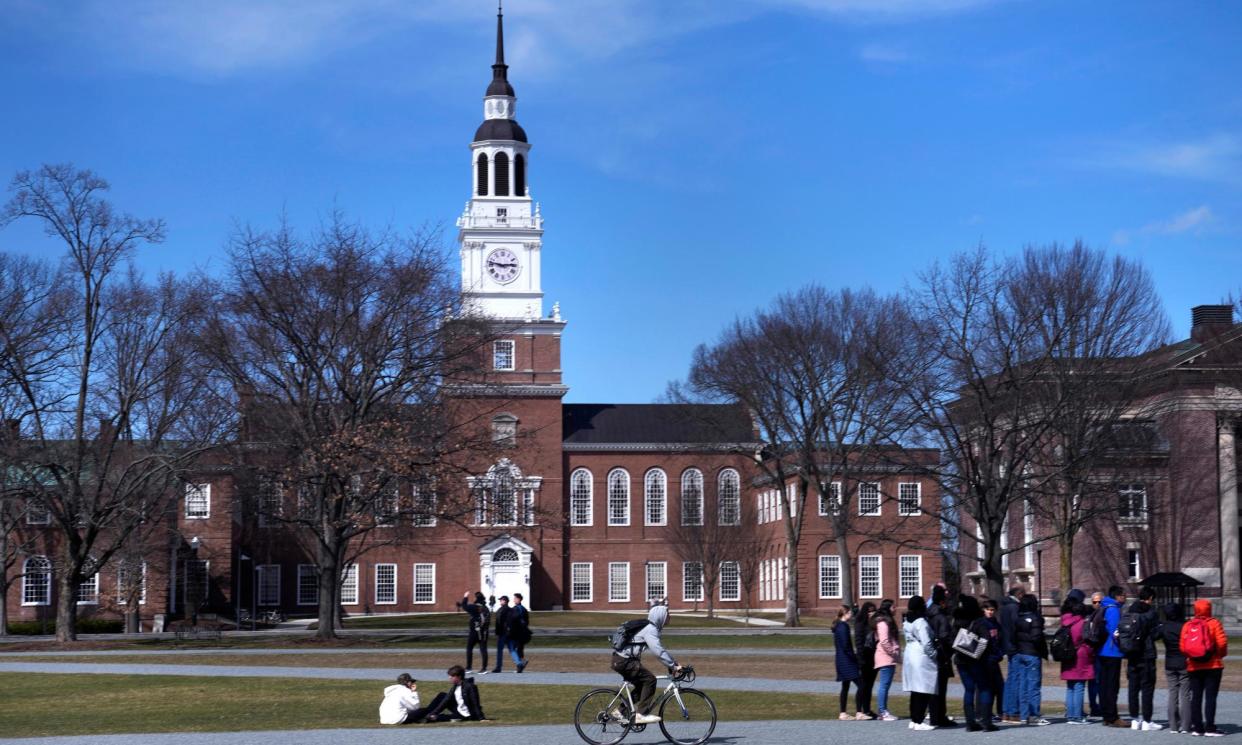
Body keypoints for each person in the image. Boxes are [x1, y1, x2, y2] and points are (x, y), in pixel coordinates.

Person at [612, 599, 683, 725]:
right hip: (624, 661)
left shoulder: (649, 628)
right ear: (661, 617)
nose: (670, 617)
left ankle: (619, 711)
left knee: (642, 687)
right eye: (668, 615)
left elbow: (660, 651)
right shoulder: (650, 629)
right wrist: (673, 665)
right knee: (650, 680)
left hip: (621, 661)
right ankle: (640, 715)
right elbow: (658, 651)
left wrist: (673, 663)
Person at [1183, 598, 1228, 737]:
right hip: (1213, 664)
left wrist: (1192, 655)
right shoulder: (1214, 623)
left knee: (1196, 697)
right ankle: (1210, 727)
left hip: (1194, 666)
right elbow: (1222, 643)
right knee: (1210, 697)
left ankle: (1197, 727)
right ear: (1209, 609)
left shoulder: (1188, 625)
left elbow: (1183, 646)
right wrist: (1219, 655)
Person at [1124, 587, 1161, 730]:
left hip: (1132, 653)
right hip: (1147, 653)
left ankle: (1134, 719)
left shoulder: (1129, 610)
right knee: (1147, 687)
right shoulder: (1151, 613)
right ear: (1150, 598)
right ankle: (1147, 720)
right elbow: (1156, 634)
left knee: (1133, 687)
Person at [902, 595, 939, 731]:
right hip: (921, 656)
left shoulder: (907, 620)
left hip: (910, 653)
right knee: (923, 689)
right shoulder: (921, 622)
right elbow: (927, 642)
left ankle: (914, 719)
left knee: (915, 690)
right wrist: (935, 655)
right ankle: (919, 720)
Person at [1013, 593, 1049, 726]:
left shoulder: (1018, 618)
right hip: (1032, 654)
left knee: (1023, 685)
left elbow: (1014, 635)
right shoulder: (1035, 618)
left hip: (1021, 653)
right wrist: (1041, 651)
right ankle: (1034, 715)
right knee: (1033, 685)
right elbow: (1036, 637)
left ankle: (1024, 715)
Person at [1059, 591, 1094, 725]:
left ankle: (1071, 714)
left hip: (1067, 654)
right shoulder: (1081, 622)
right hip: (1080, 654)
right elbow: (1086, 639)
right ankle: (1077, 715)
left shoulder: (1065, 619)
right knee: (1079, 686)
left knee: (1070, 686)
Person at [410, 665, 488, 723]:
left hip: (465, 715)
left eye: (452, 676)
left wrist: (481, 718)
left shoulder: (470, 687)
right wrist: (433, 712)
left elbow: (475, 703)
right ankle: (426, 713)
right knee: (442, 695)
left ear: (459, 677)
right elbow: (446, 701)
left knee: (439, 718)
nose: (449, 678)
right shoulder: (455, 686)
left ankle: (426, 717)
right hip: (459, 708)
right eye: (449, 676)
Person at [925, 587, 957, 727]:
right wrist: (953, 648)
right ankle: (940, 716)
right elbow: (945, 637)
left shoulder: (928, 614)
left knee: (933, 687)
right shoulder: (941, 617)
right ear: (942, 601)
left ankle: (934, 715)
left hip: (931, 653)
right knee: (941, 687)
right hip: (941, 655)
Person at [1097, 585, 1127, 728]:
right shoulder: (1114, 610)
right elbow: (1115, 632)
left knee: (1103, 685)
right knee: (1112, 686)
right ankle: (1112, 716)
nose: (1125, 598)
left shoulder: (1103, 607)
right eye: (1123, 595)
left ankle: (1106, 715)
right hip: (1112, 651)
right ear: (1117, 596)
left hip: (1102, 651)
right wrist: (1124, 644)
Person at [971, 598, 1003, 732]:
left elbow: (997, 640)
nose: (990, 612)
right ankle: (983, 715)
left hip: (993, 659)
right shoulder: (980, 623)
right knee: (986, 689)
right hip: (984, 660)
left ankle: (985, 714)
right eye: (988, 610)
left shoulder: (995, 622)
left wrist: (999, 653)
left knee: (996, 687)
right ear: (983, 610)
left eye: (992, 610)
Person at [1161, 601, 1191, 734]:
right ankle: (1185, 725)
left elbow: (1153, 635)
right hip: (1184, 661)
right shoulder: (1185, 626)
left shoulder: (1164, 626)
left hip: (1170, 662)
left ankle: (1173, 725)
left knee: (1173, 693)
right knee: (1185, 694)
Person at [871, 599, 902, 721]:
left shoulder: (886, 622)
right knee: (884, 685)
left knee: (886, 685)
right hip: (885, 657)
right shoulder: (883, 623)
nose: (895, 609)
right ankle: (883, 711)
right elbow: (884, 641)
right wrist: (893, 651)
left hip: (887, 657)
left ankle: (882, 710)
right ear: (888, 608)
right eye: (893, 607)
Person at [998, 584, 1024, 724]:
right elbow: (1016, 627)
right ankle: (1013, 712)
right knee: (1015, 679)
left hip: (1008, 646)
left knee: (1010, 679)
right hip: (1015, 647)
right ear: (1019, 594)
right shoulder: (1015, 607)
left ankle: (1006, 711)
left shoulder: (1004, 608)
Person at [833, 606, 861, 720]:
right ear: (845, 614)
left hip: (841, 659)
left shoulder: (838, 625)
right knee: (862, 685)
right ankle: (859, 711)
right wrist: (855, 658)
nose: (851, 614)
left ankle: (843, 712)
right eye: (850, 613)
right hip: (847, 660)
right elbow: (846, 646)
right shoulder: (843, 626)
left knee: (845, 686)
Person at [854, 601, 879, 720]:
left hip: (873, 658)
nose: (872, 613)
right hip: (864, 657)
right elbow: (858, 642)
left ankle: (867, 709)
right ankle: (859, 710)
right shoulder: (860, 623)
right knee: (863, 685)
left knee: (869, 685)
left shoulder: (874, 624)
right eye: (870, 611)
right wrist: (861, 658)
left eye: (874, 611)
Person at [458, 591, 490, 673]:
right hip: (483, 632)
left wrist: (465, 597)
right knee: (483, 649)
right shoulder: (486, 608)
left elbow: (464, 606)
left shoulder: (474, 607)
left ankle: (469, 667)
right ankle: (484, 668)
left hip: (474, 632)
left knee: (469, 648)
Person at [1088, 591, 1104, 717]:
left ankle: (1101, 705)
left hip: (1101, 650)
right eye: (1095, 602)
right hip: (1093, 651)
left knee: (1100, 680)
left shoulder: (1104, 614)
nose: (1097, 604)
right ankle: (1094, 705)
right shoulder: (1089, 615)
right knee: (1094, 680)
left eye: (1100, 601)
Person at [509, 592, 531, 673]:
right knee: (519, 649)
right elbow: (527, 621)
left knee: (514, 649)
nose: (514, 600)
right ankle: (521, 664)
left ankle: (520, 664)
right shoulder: (524, 609)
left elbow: (514, 619)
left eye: (515, 598)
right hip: (523, 632)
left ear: (519, 599)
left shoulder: (517, 609)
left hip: (518, 632)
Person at [491, 595, 512, 673]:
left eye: (501, 600)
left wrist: (498, 631)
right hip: (507, 632)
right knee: (511, 649)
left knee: (500, 650)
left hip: (502, 632)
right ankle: (520, 662)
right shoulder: (509, 609)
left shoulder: (502, 610)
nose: (500, 601)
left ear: (505, 601)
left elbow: (499, 621)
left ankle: (498, 667)